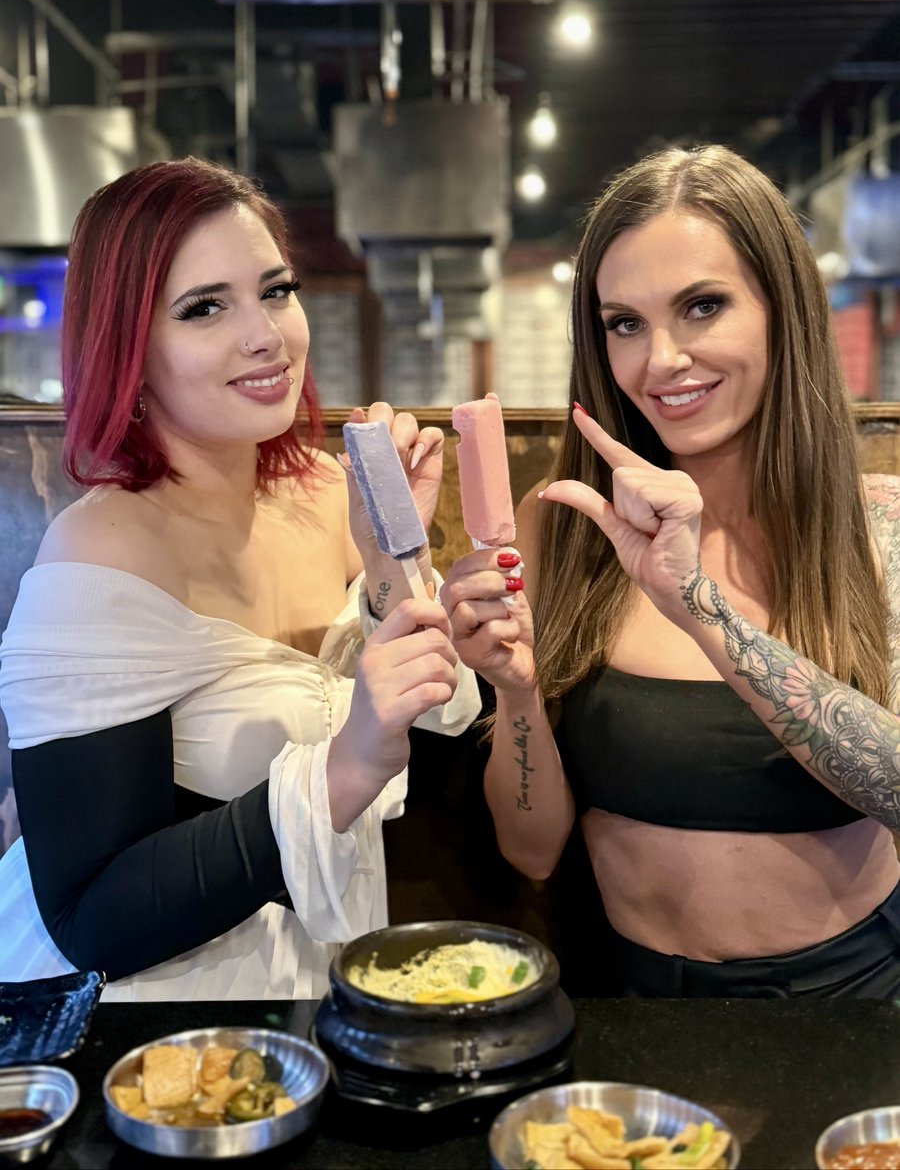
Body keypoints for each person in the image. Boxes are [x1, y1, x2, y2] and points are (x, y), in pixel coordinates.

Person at [0, 157, 480, 1001]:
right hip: (146, 1015)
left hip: (318, 978)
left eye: (276, 290)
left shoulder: (330, 491)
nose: (267, 335)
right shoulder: (101, 551)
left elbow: (427, 756)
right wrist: (343, 767)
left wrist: (393, 569)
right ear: (128, 348)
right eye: (204, 307)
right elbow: (89, 916)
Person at [442, 144, 900, 999]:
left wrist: (698, 605)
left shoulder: (879, 528)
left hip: (851, 998)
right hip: (628, 995)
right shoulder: (566, 527)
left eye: (703, 306)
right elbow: (531, 852)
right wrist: (514, 692)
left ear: (784, 310)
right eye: (625, 323)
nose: (661, 360)